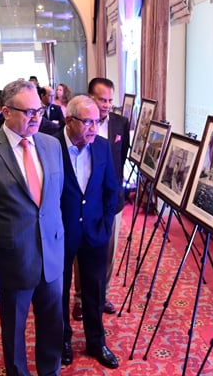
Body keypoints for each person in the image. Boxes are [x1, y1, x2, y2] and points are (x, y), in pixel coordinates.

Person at [0, 80, 65, 376]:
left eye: (40, 110)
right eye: (28, 112)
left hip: (52, 254)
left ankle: (51, 371)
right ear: (6, 111)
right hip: (12, 258)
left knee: (52, 325)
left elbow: (53, 201)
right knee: (14, 331)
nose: (37, 117)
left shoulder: (51, 144)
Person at [55, 95, 119, 369]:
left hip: (94, 232)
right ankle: (63, 341)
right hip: (60, 232)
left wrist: (105, 224)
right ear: (69, 121)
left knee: (94, 291)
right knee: (59, 291)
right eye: (87, 122)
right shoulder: (50, 146)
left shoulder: (102, 147)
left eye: (97, 121)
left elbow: (111, 189)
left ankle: (96, 341)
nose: (94, 127)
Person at [71, 77, 129, 319]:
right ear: (90, 97)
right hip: (82, 201)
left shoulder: (120, 123)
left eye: (109, 100)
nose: (105, 105)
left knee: (107, 251)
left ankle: (101, 294)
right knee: (79, 253)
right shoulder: (77, 124)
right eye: (101, 99)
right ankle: (79, 298)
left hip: (110, 200)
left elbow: (121, 158)